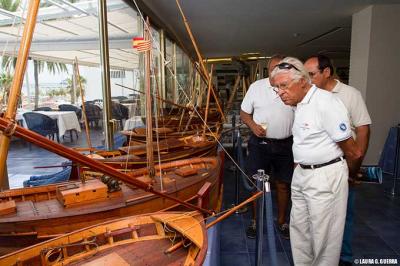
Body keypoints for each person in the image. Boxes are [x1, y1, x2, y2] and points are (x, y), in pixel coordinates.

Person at [271, 57, 362, 265]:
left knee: (324, 236)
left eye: (284, 86)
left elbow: (353, 152)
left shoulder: (326, 103)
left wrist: (350, 176)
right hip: (302, 174)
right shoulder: (299, 104)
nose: (280, 93)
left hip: (325, 175)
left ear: (303, 81)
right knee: (300, 230)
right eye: (276, 88)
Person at [304, 55, 371, 266]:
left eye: (311, 74)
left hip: (341, 164)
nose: (307, 79)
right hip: (314, 169)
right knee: (313, 217)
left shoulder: (350, 95)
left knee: (343, 215)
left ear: (326, 72)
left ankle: (344, 257)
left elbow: (362, 129)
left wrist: (354, 167)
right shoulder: (309, 95)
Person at [240, 54, 294, 239]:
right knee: (257, 184)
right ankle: (255, 222)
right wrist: (253, 126)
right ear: (268, 70)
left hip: (286, 144)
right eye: (272, 69)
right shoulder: (256, 87)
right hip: (260, 144)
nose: (275, 72)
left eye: (279, 68)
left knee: (283, 184)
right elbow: (244, 113)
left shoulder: (293, 88)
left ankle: (282, 222)